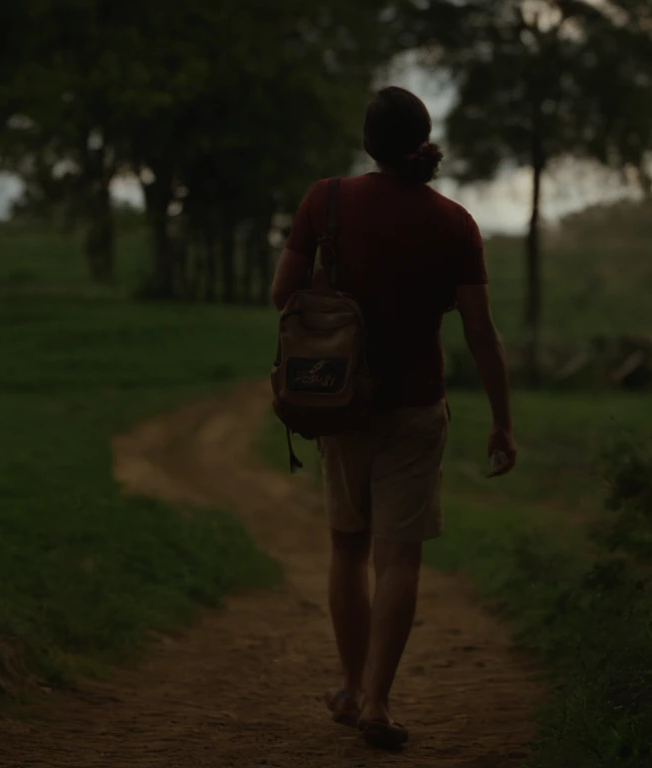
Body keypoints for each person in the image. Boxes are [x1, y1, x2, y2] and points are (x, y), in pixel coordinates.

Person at [269, 86, 516, 750]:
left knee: (347, 546)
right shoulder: (455, 223)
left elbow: (279, 295)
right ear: (424, 138)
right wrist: (502, 421)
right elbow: (481, 333)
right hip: (416, 406)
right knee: (398, 557)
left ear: (368, 141)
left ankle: (350, 688)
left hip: (340, 402)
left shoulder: (327, 202)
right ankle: (378, 699)